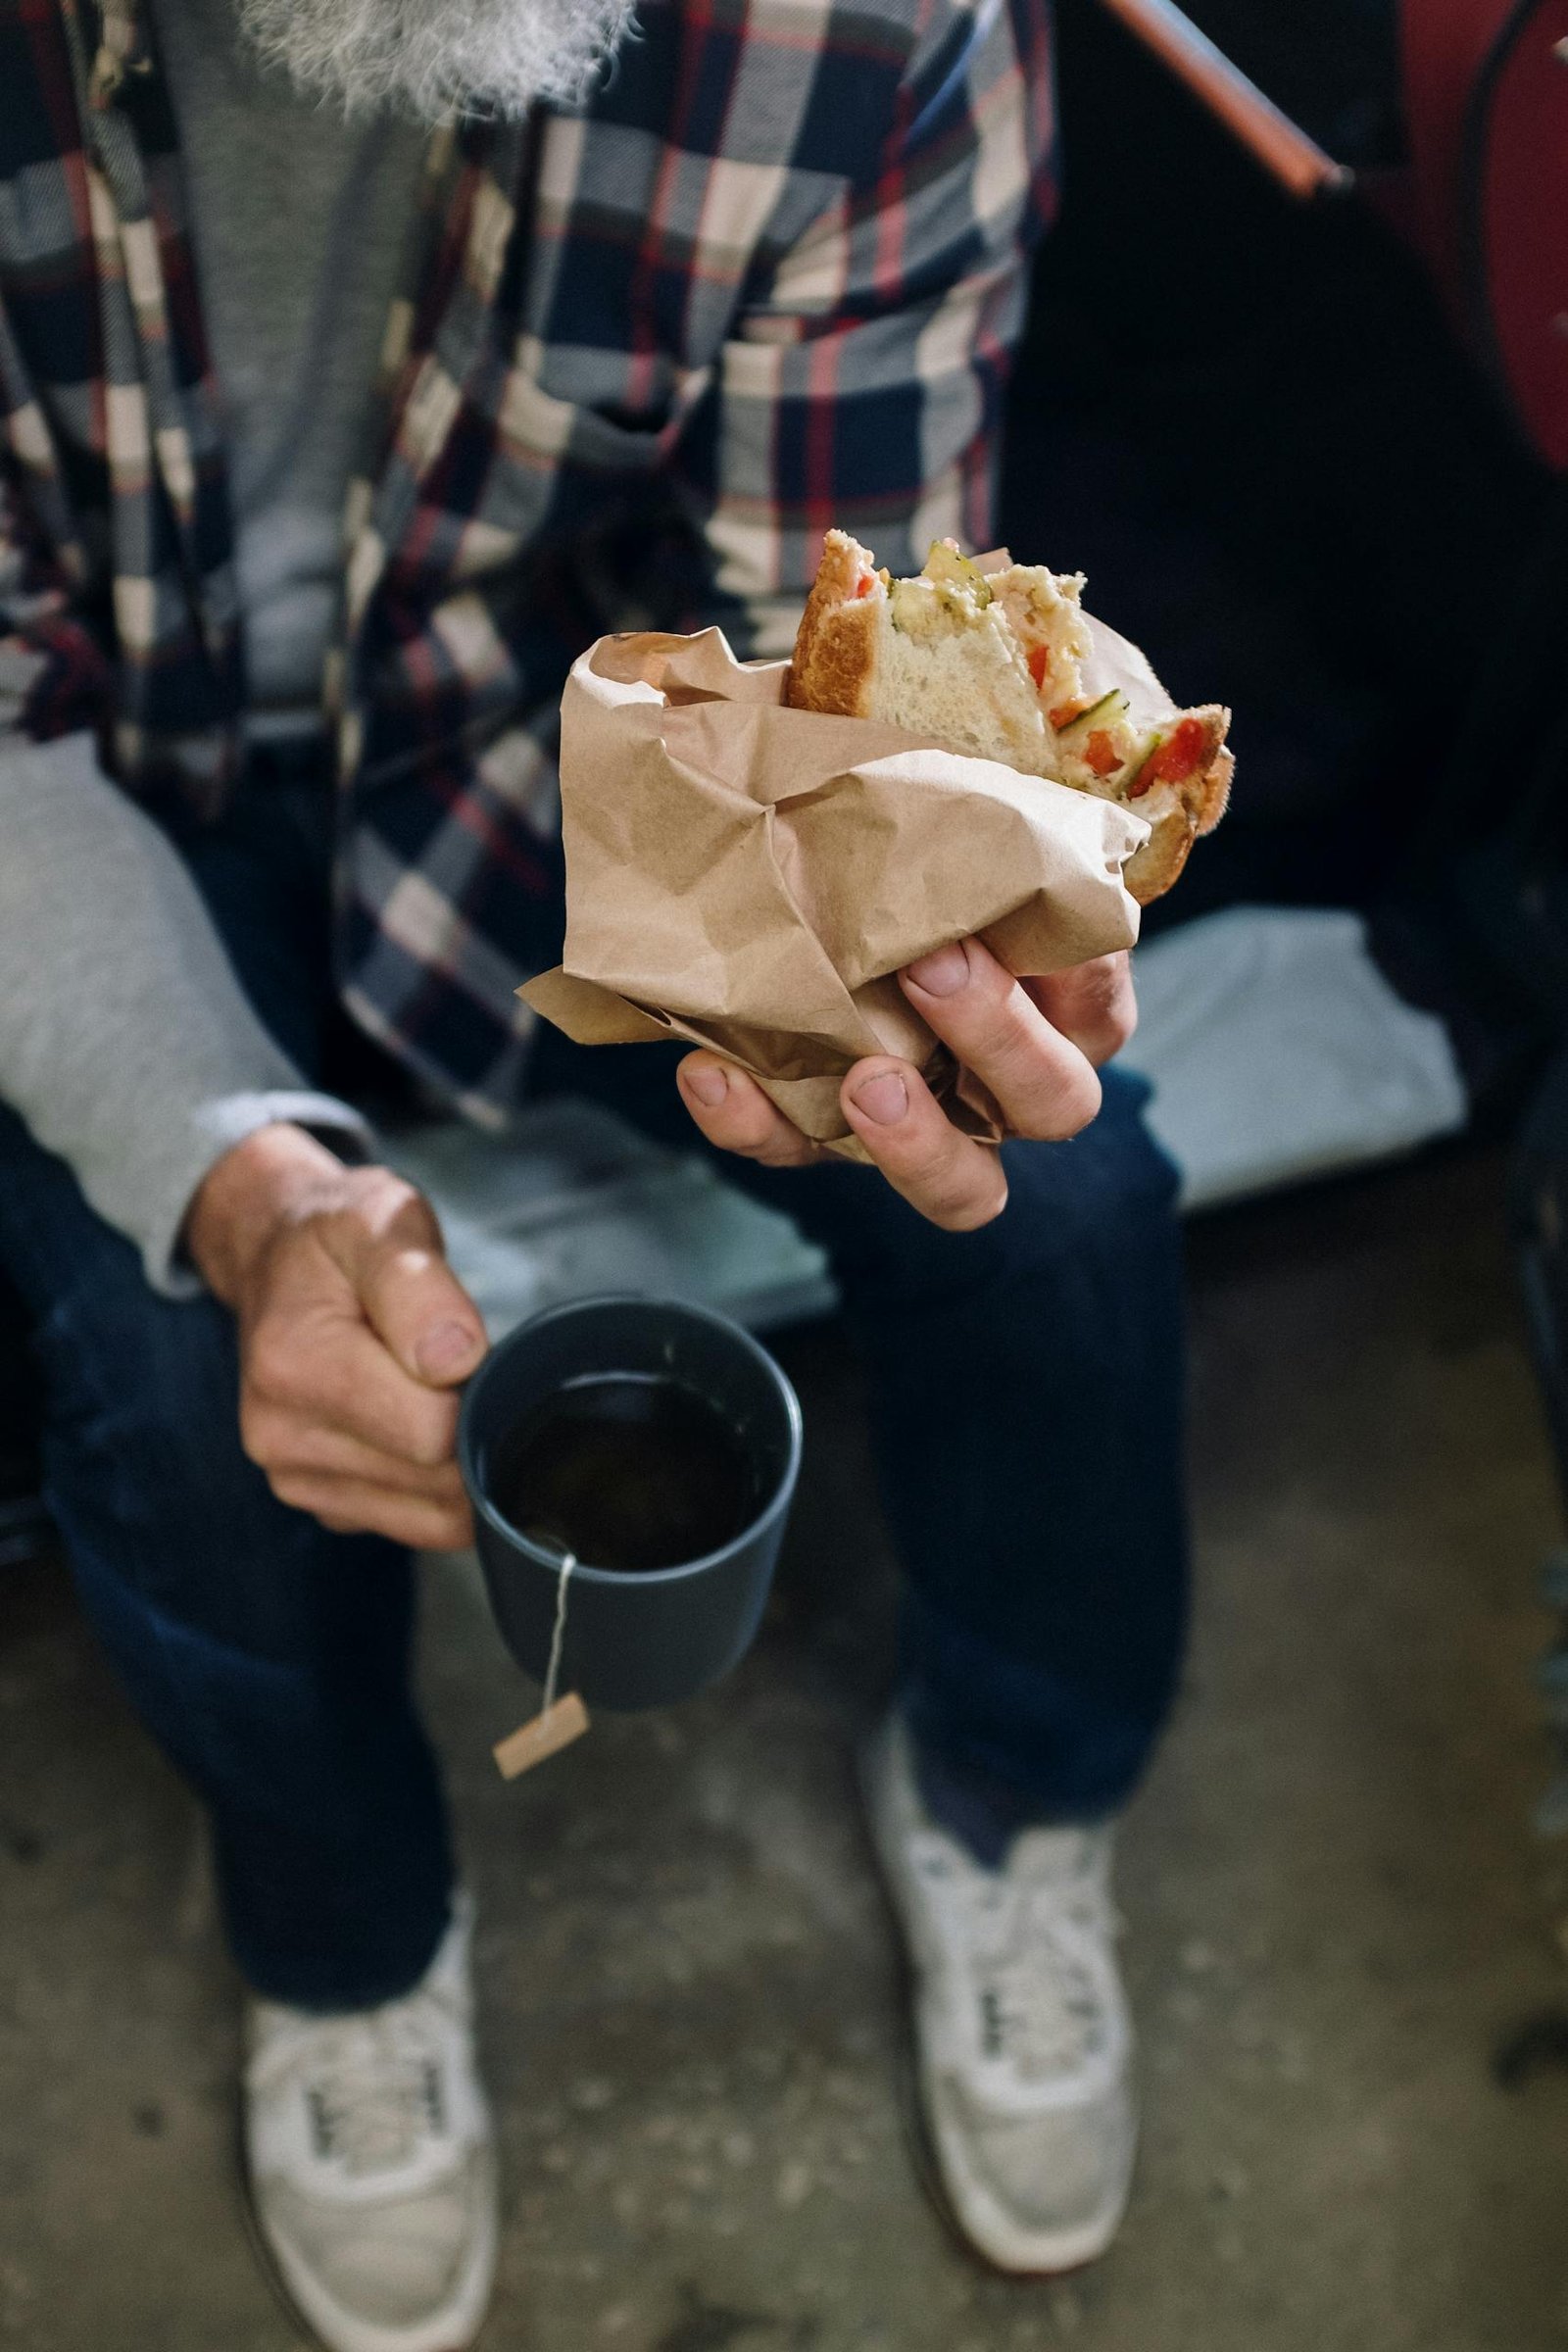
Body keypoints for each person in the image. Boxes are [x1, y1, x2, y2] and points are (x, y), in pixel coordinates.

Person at [0, 0, 1187, 2343]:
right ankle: (349, 1952)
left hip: (568, 773)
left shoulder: (870, 33)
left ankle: (1013, 1798)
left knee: (1048, 1197)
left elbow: (807, 638)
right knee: (174, 1374)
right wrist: (247, 1175)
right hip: (92, 793)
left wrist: (875, 916)